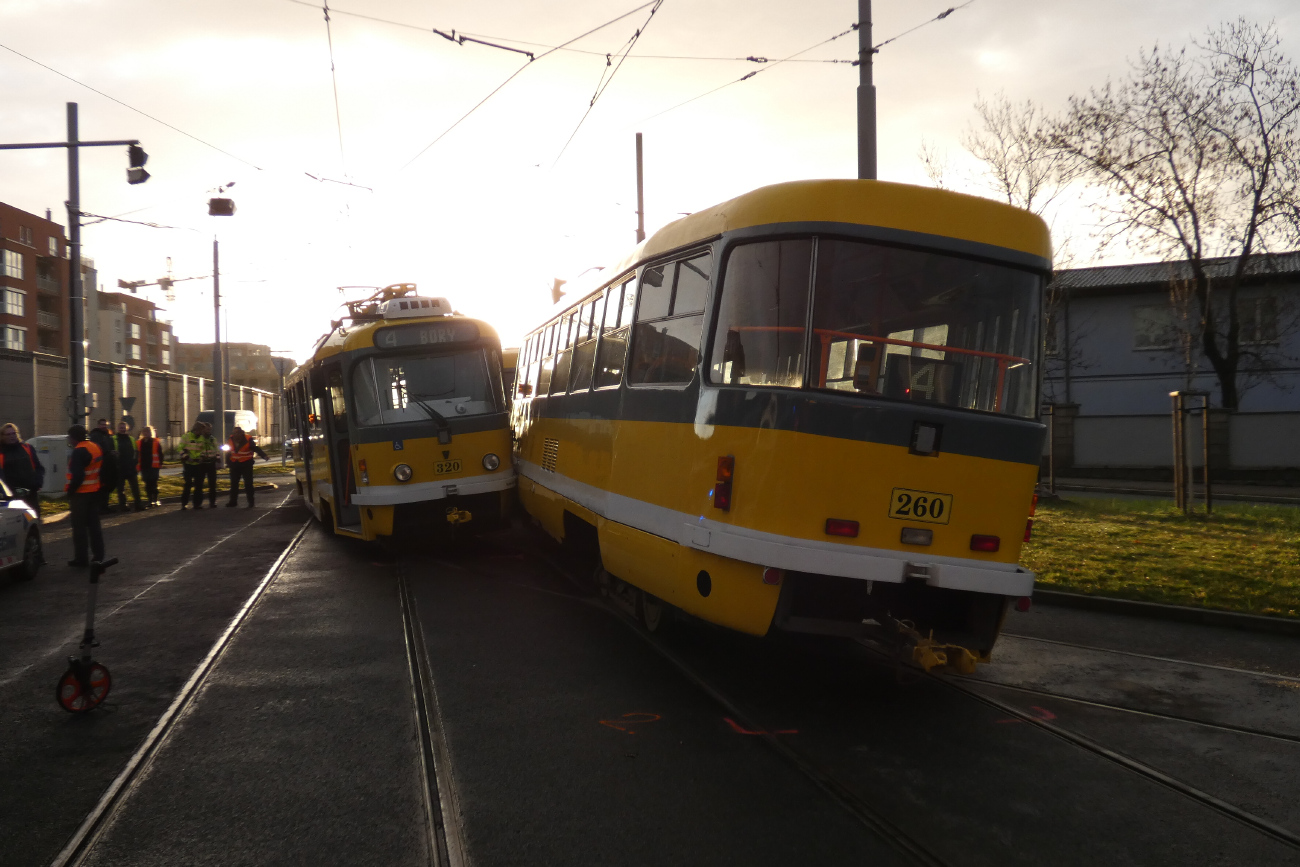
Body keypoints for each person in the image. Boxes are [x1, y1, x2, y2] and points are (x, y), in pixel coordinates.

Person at [65, 424, 105, 567]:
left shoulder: (78, 451)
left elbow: (78, 475)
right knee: (94, 526)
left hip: (81, 495)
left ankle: (81, 558)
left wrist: (70, 491)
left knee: (79, 528)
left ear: (74, 438)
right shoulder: (95, 447)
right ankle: (99, 555)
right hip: (94, 491)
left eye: (70, 437)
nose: (69, 440)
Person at [1, 422, 45, 520]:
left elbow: (39, 467)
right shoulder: (1, 453)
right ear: (2, 436)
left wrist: (38, 482)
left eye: (14, 433)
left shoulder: (27, 448)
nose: (12, 436)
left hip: (30, 493)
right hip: (11, 497)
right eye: (8, 434)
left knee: (34, 523)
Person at [225, 426, 268, 507]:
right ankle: (233, 501)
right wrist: (228, 463)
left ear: (241, 433)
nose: (235, 435)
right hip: (234, 465)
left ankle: (251, 502)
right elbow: (228, 452)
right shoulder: (230, 440)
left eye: (237, 433)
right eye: (234, 433)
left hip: (246, 464)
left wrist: (264, 456)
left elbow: (255, 448)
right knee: (234, 484)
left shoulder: (248, 439)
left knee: (248, 484)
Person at [179, 420, 215, 510]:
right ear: (197, 429)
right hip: (188, 464)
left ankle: (197, 504)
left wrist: (202, 457)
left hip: (198, 464)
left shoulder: (201, 438)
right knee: (188, 484)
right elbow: (180, 448)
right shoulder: (186, 437)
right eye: (201, 430)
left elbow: (203, 449)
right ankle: (184, 504)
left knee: (198, 485)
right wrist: (187, 457)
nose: (202, 433)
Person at [112, 420, 143, 512]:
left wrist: (134, 463)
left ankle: (138, 504)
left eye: (124, 427)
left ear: (127, 428)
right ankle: (123, 506)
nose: (122, 429)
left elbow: (136, 452)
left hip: (130, 467)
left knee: (135, 488)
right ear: (118, 428)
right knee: (121, 489)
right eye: (121, 427)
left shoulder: (132, 439)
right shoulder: (113, 439)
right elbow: (111, 452)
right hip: (119, 468)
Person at [88, 426, 119, 515]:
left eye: (105, 424)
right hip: (102, 467)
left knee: (106, 487)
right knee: (103, 488)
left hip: (108, 466)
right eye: (101, 424)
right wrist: (109, 453)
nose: (103, 426)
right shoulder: (96, 436)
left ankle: (103, 506)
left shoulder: (108, 436)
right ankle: (101, 507)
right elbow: (101, 451)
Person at [136, 425, 164, 507]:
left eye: (148, 432)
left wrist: (160, 464)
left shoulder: (155, 442)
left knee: (153, 483)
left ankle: (156, 499)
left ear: (151, 433)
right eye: (144, 432)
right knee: (147, 484)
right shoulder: (139, 443)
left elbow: (160, 454)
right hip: (144, 466)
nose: (146, 433)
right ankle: (150, 500)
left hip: (154, 466)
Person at [200, 422, 220, 508]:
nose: (208, 431)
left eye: (209, 429)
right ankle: (199, 503)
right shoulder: (199, 439)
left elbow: (217, 450)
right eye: (207, 429)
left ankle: (212, 502)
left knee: (212, 484)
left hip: (211, 463)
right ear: (203, 429)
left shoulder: (212, 439)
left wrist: (218, 459)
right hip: (202, 463)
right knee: (199, 484)